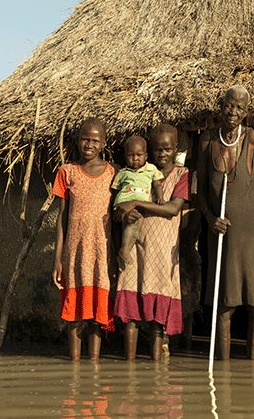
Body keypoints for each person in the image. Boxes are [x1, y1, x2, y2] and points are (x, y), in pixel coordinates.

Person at [198, 85, 254, 360]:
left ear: (246, 113)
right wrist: (211, 218)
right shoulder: (206, 141)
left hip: (253, 230)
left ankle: (252, 365)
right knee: (225, 303)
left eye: (239, 108)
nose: (233, 113)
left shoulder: (252, 138)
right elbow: (199, 190)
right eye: (229, 106)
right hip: (222, 231)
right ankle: (223, 366)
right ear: (220, 107)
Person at [114, 124, 190, 361]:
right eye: (157, 149)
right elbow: (119, 207)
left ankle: (156, 365)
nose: (162, 154)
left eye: (167, 149)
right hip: (136, 245)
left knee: (158, 317)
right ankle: (130, 366)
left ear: (175, 149)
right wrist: (124, 213)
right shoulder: (139, 172)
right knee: (132, 314)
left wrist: (138, 205)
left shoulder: (182, 174)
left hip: (163, 249)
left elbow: (172, 208)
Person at [52, 117, 115, 361]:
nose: (89, 144)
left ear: (104, 144)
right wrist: (57, 259)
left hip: (101, 251)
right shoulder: (67, 172)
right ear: (78, 141)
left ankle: (95, 366)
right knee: (74, 313)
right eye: (84, 139)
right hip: (75, 252)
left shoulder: (113, 173)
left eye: (95, 140)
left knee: (97, 315)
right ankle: (75, 367)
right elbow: (62, 219)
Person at [112, 136, 165, 268]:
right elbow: (114, 191)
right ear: (125, 156)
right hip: (124, 201)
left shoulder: (151, 169)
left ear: (146, 156)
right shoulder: (122, 173)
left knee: (135, 225)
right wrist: (115, 207)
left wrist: (160, 197)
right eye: (131, 155)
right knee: (132, 222)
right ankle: (124, 250)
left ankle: (124, 251)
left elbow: (157, 184)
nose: (135, 159)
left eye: (139, 155)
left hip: (138, 203)